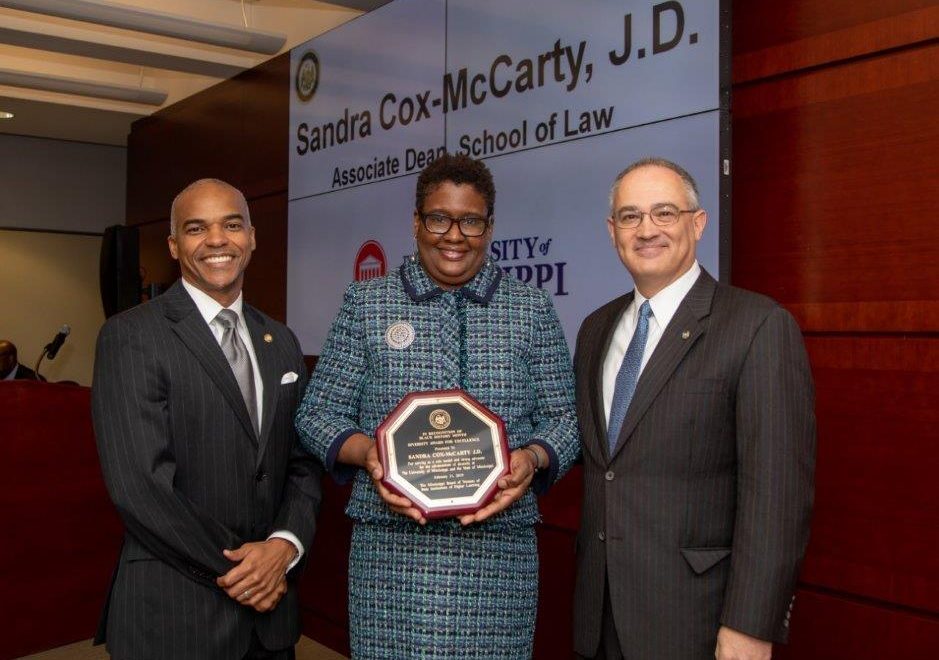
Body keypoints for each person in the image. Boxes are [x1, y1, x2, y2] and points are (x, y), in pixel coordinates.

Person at [295, 154, 579, 659]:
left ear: (489, 227)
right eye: (438, 218)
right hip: (392, 556)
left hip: (499, 554)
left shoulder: (531, 309)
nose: (454, 235)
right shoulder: (368, 304)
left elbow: (566, 419)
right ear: (416, 223)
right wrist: (368, 455)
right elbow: (316, 414)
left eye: (470, 220)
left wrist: (533, 458)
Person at [572, 158, 815, 660]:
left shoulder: (757, 326)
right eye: (631, 216)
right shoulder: (596, 329)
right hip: (599, 616)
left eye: (665, 213)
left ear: (698, 223)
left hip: (696, 620)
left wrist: (750, 624)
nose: (647, 230)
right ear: (612, 230)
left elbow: (776, 496)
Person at [92, 178, 323, 660]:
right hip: (176, 615)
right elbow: (140, 485)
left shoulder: (279, 340)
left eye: (232, 225)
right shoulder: (130, 336)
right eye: (197, 229)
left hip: (270, 620)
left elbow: (302, 463)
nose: (217, 240)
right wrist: (249, 572)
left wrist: (283, 547)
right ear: (175, 246)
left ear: (252, 237)